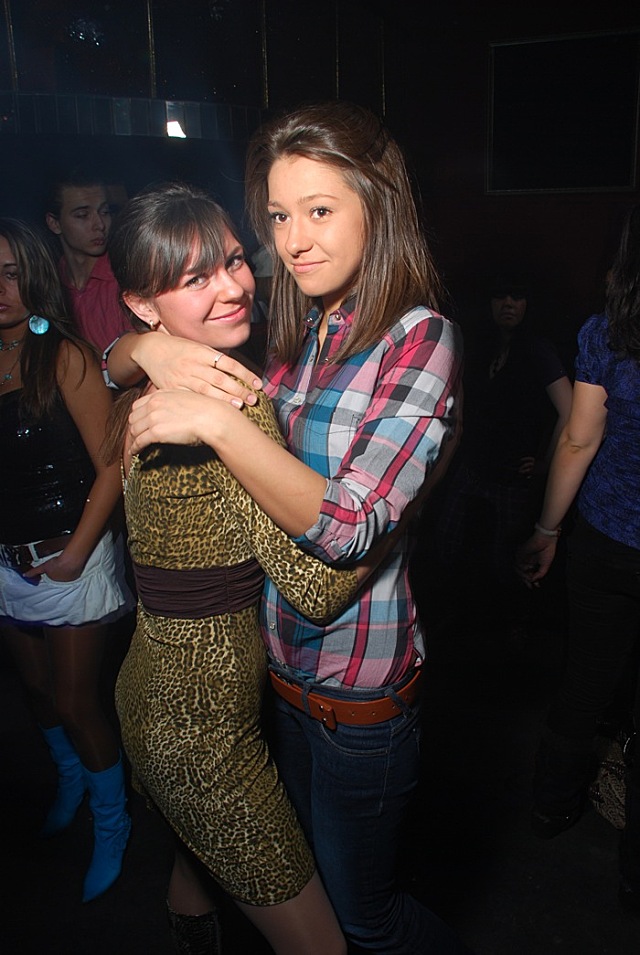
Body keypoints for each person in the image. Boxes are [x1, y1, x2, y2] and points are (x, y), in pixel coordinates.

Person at [107, 102, 471, 954]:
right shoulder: (294, 334)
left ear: (377, 205)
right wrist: (141, 350)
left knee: (358, 918)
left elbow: (345, 533)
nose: (292, 242)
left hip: (345, 699)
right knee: (307, 902)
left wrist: (174, 374)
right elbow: (321, 555)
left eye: (318, 210)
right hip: (249, 695)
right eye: (277, 216)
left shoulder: (411, 338)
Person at [0, 217, 134, 903]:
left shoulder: (67, 355)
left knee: (78, 703)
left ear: (34, 274)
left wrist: (77, 555)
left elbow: (113, 461)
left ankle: (113, 825)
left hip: (70, 556)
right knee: (36, 692)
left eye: (10, 273)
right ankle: (70, 780)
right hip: (7, 560)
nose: (0, 288)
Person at [516, 204, 640, 915]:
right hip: (607, 540)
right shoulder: (603, 332)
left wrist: (547, 528)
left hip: (605, 540)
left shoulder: (609, 332)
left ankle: (550, 806)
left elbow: (578, 439)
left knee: (585, 677)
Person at [431, 274, 572, 641]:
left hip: (512, 475)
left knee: (506, 559)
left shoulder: (537, 351)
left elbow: (570, 411)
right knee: (448, 542)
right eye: (500, 295)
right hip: (473, 464)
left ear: (529, 304)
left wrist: (545, 463)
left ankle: (509, 630)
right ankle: (456, 620)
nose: (508, 303)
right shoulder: (479, 345)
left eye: (517, 296)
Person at [45, 167, 130, 353]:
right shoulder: (46, 285)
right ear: (54, 223)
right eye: (83, 215)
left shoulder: (127, 276)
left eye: (104, 212)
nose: (100, 225)